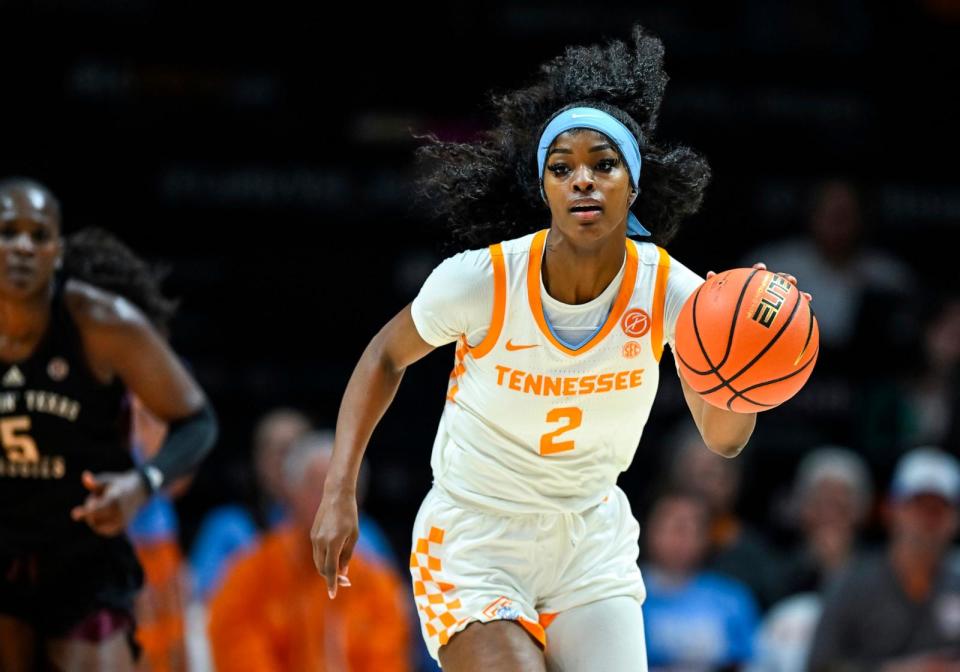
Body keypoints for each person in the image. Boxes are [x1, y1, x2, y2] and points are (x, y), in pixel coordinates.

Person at [310, 25, 808, 672]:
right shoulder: (482, 280)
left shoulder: (670, 290)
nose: (583, 181)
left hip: (588, 542)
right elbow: (384, 355)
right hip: (476, 537)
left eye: (603, 165)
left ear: (633, 187)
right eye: (562, 167)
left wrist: (740, 359)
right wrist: (337, 490)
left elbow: (724, 438)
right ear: (542, 189)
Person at [0, 179, 218, 671]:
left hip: (95, 549)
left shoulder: (101, 329)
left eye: (36, 236)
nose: (21, 248)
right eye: (8, 232)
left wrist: (143, 483)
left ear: (55, 252)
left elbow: (191, 440)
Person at [208, 431, 411, 672]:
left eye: (343, 491)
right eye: (317, 487)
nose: (329, 502)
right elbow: (237, 653)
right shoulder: (250, 575)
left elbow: (387, 662)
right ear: (290, 492)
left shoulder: (379, 586)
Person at [807, 448, 960, 672]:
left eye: (939, 509)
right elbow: (819, 665)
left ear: (954, 518)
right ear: (891, 509)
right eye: (918, 507)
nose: (928, 520)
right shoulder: (853, 583)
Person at [640, 489, 760, 671]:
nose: (682, 539)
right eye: (676, 527)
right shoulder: (625, 593)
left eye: (693, 529)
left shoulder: (732, 598)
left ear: (705, 539)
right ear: (650, 530)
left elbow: (749, 662)